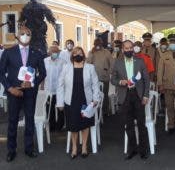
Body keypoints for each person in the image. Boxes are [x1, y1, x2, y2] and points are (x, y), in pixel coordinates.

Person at [0, 23, 46, 162]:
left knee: (30, 120)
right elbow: (1, 73)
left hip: (30, 92)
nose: (25, 36)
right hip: (14, 92)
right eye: (22, 33)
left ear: (31, 37)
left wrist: (32, 83)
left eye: (28, 34)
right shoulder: (8, 52)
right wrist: (10, 88)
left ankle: (29, 148)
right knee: (13, 120)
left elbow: (43, 73)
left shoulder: (36, 53)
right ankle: (11, 150)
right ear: (17, 36)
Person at [56, 47, 100, 159]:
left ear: (84, 55)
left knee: (85, 124)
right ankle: (74, 147)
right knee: (73, 126)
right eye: (75, 53)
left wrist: (95, 99)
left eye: (80, 53)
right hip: (70, 101)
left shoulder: (90, 67)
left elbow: (95, 84)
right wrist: (59, 102)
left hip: (86, 101)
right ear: (72, 56)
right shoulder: (66, 68)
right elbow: (60, 85)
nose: (78, 55)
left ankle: (84, 146)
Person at [111, 40, 150, 160]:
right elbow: (113, 79)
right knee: (128, 125)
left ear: (133, 48)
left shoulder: (140, 61)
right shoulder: (117, 62)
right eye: (126, 48)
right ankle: (132, 149)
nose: (128, 50)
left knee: (141, 124)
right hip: (125, 96)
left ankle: (143, 150)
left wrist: (145, 95)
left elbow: (146, 80)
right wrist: (121, 82)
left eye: (130, 48)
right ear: (123, 49)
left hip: (138, 95)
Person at [157, 34, 175, 134]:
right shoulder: (164, 54)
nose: (173, 44)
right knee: (169, 106)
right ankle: (171, 125)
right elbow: (160, 70)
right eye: (171, 42)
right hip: (167, 84)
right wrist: (160, 84)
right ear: (169, 43)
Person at [87, 37, 113, 116]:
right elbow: (88, 63)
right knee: (94, 96)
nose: (97, 46)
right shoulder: (91, 52)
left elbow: (112, 64)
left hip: (104, 78)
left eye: (99, 44)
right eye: (96, 44)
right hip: (93, 79)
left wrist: (108, 72)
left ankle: (105, 111)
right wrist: (92, 53)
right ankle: (94, 111)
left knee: (104, 95)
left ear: (102, 44)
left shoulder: (106, 52)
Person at [43, 45, 66, 131]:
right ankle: (51, 126)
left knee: (61, 108)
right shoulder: (45, 61)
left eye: (56, 52)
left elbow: (65, 75)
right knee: (49, 109)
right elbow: (42, 74)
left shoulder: (62, 62)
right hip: (48, 89)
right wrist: (42, 87)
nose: (54, 53)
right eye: (53, 51)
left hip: (59, 90)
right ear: (49, 52)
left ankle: (60, 125)